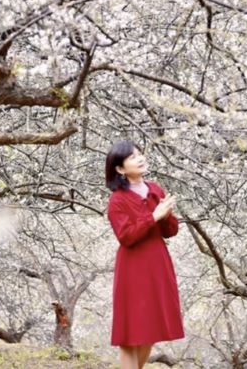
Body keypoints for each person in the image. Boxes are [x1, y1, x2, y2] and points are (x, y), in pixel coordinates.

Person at [105, 140, 185, 369]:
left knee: (151, 328)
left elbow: (170, 231)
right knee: (130, 335)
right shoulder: (117, 200)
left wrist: (167, 214)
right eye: (132, 157)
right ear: (120, 169)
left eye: (140, 154)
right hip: (132, 266)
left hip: (157, 262)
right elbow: (126, 236)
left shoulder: (155, 189)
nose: (140, 159)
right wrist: (154, 216)